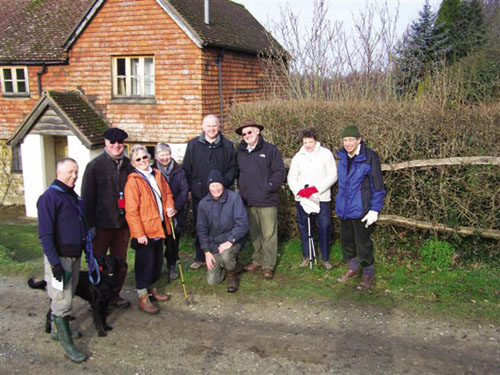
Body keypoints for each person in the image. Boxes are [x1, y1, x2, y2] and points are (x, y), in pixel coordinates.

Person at [37, 158, 87, 363]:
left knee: (69, 294)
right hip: (59, 260)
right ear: (59, 172)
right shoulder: (50, 197)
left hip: (74, 257)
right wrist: (55, 264)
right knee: (61, 299)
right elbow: (45, 235)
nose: (74, 176)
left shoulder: (72, 196)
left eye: (76, 172)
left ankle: (59, 331)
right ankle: (68, 346)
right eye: (69, 172)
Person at [81, 127, 134, 308]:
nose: (117, 145)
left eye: (120, 142)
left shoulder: (128, 165)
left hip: (122, 225)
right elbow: (87, 199)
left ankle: (114, 296)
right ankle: (96, 298)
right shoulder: (94, 166)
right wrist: (90, 226)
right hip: (101, 226)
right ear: (106, 143)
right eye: (113, 142)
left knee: (120, 264)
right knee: (98, 264)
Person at [182, 114, 239, 270]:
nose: (212, 129)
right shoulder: (193, 144)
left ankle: (222, 255)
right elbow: (187, 168)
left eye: (214, 126)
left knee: (222, 224)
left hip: (221, 194)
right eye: (208, 126)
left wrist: (223, 182)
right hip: (199, 193)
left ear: (219, 127)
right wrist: (188, 188)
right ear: (202, 127)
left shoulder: (227, 145)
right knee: (201, 225)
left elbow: (233, 168)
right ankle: (200, 256)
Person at [124, 145, 175, 314]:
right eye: (138, 159)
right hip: (145, 231)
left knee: (156, 261)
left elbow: (167, 195)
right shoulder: (133, 182)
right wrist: (138, 233)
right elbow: (131, 211)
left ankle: (152, 289)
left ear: (150, 158)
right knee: (144, 264)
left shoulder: (158, 174)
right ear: (133, 163)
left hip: (159, 226)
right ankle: (142, 296)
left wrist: (170, 207)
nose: (143, 161)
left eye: (144, 157)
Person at [335, 125, 386, 290]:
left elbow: (378, 186)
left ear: (359, 140)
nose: (348, 143)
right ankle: (354, 268)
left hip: (361, 209)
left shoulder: (370, 157)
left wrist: (374, 209)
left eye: (351, 140)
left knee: (363, 243)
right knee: (347, 241)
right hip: (344, 208)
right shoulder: (342, 158)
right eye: (345, 140)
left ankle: (368, 274)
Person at [235, 119, 286, 279]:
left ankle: (268, 265)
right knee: (255, 234)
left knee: (269, 234)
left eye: (249, 132)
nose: (246, 136)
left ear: (257, 131)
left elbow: (279, 172)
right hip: (248, 201)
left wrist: (268, 187)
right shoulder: (240, 151)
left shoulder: (270, 150)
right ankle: (257, 260)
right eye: (243, 134)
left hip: (267, 200)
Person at [287, 127, 338, 269]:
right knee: (304, 226)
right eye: (305, 142)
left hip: (321, 197)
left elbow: (332, 175)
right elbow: (292, 178)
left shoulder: (325, 154)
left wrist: (316, 189)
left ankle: (325, 257)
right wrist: (300, 192)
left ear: (316, 141)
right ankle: (307, 255)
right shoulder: (298, 157)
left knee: (324, 225)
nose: (308, 145)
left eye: (310, 142)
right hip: (303, 199)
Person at [197, 169, 248, 293]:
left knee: (226, 256)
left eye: (218, 185)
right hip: (214, 243)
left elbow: (242, 223)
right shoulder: (203, 204)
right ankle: (235, 266)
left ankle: (232, 275)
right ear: (209, 187)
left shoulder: (234, 198)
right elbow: (201, 229)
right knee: (212, 281)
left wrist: (230, 241)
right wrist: (207, 251)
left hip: (233, 240)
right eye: (212, 186)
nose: (216, 189)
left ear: (223, 185)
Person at [153, 143, 189, 281]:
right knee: (157, 241)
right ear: (156, 156)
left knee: (173, 241)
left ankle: (171, 265)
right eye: (161, 155)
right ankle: (156, 267)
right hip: (157, 213)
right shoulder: (151, 170)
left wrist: (176, 207)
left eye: (167, 154)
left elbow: (184, 190)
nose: (164, 158)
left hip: (175, 212)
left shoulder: (179, 170)